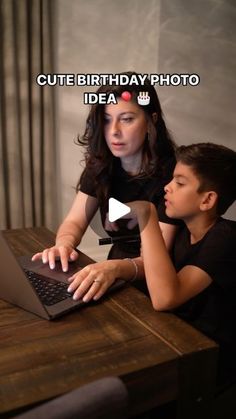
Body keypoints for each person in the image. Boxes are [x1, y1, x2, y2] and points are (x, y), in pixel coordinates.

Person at [67, 142, 236, 389]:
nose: (167, 187)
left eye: (179, 183)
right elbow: (152, 270)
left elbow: (165, 297)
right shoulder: (182, 233)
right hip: (174, 337)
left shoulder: (226, 237)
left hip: (207, 361)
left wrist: (147, 213)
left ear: (208, 200)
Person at [32, 71, 180, 271]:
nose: (114, 131)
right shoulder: (102, 165)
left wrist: (112, 269)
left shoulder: (175, 175)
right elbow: (74, 222)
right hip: (117, 266)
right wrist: (63, 245)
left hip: (161, 275)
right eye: (107, 119)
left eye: (126, 119)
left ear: (151, 120)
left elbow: (155, 259)